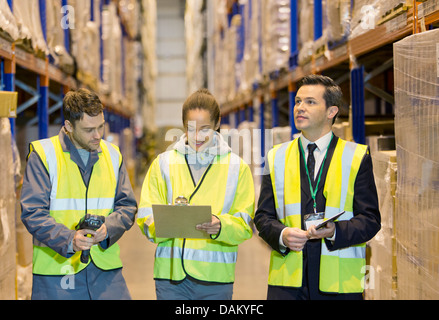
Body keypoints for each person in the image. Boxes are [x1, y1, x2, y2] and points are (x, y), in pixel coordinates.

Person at [254, 74, 381, 300]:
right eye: (298, 102)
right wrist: (282, 235)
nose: (300, 108)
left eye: (310, 102)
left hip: (338, 285)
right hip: (288, 285)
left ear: (331, 112)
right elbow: (263, 217)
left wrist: (335, 231)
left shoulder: (356, 156)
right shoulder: (276, 157)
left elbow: (370, 220)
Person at [137, 88, 255, 300]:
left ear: (217, 123)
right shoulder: (163, 164)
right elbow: (145, 216)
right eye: (191, 129)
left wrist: (221, 225)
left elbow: (245, 224)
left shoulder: (237, 168)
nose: (198, 136)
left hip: (215, 279)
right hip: (171, 278)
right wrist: (163, 223)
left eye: (205, 129)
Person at [20, 88, 137, 300]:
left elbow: (127, 206)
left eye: (100, 127)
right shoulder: (43, 155)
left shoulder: (112, 154)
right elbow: (32, 212)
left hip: (105, 271)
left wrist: (108, 228)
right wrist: (69, 239)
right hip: (57, 273)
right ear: (68, 126)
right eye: (89, 129)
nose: (97, 135)